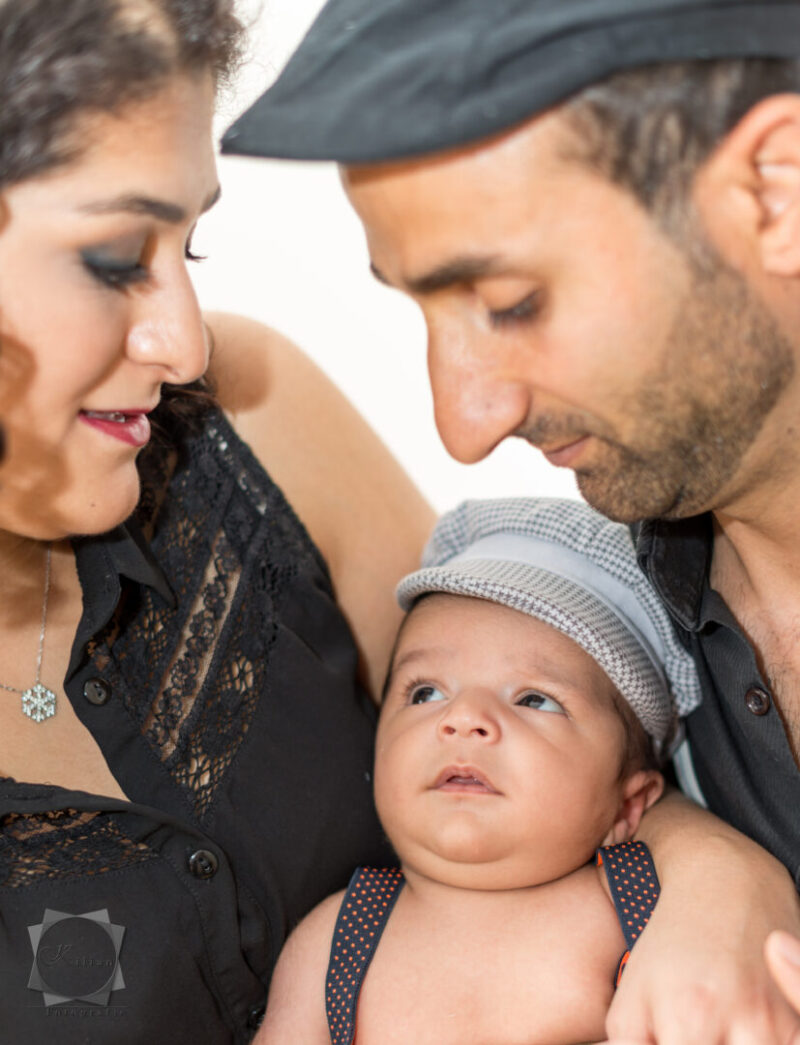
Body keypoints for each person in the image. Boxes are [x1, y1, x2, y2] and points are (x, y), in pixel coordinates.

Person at [222, 1, 800, 1041]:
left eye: (509, 300)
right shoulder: (619, 602)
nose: (464, 424)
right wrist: (712, 866)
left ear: (776, 186)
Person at [0, 1, 433, 1041]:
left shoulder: (246, 417)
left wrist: (697, 874)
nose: (184, 346)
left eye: (186, 248)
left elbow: (572, 728)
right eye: (116, 257)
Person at [257, 496, 701, 1045]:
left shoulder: (651, 912)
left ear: (628, 805)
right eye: (426, 692)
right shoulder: (336, 940)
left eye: (534, 700)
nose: (463, 718)